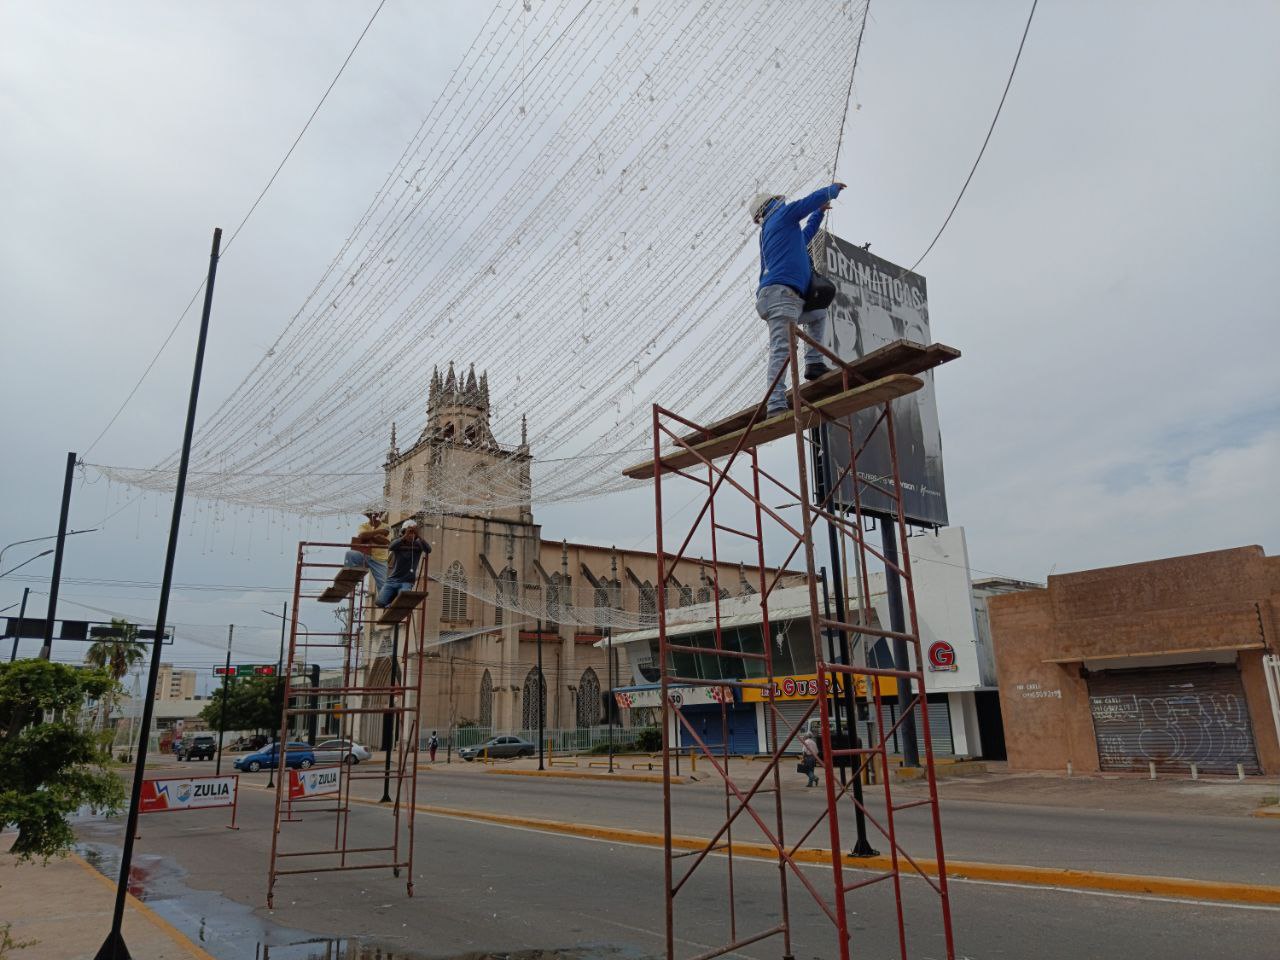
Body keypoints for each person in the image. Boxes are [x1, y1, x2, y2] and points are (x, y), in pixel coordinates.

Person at [750, 183, 846, 415]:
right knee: (782, 348)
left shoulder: (776, 230)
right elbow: (806, 203)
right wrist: (830, 191)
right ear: (771, 204)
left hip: (781, 297)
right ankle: (775, 404)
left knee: (818, 314)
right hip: (781, 295)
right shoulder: (780, 215)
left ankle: (813, 363)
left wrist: (819, 212)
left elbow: (805, 236)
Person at [378, 519, 430, 607]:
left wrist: (418, 536)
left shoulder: (418, 545)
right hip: (392, 580)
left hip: (407, 582)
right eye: (409, 532)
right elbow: (391, 547)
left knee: (403, 600)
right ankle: (392, 599)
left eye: (413, 533)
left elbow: (428, 550)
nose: (411, 535)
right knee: (380, 602)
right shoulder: (399, 543)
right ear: (403, 532)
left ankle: (394, 601)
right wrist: (405, 536)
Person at [344, 507, 391, 593]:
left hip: (380, 560)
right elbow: (362, 536)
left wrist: (369, 536)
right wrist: (378, 532)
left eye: (376, 513)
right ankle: (350, 579)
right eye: (371, 514)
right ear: (368, 516)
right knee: (350, 554)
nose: (373, 515)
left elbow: (385, 542)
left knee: (383, 586)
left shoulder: (386, 527)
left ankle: (386, 603)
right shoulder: (364, 526)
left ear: (379, 514)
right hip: (365, 556)